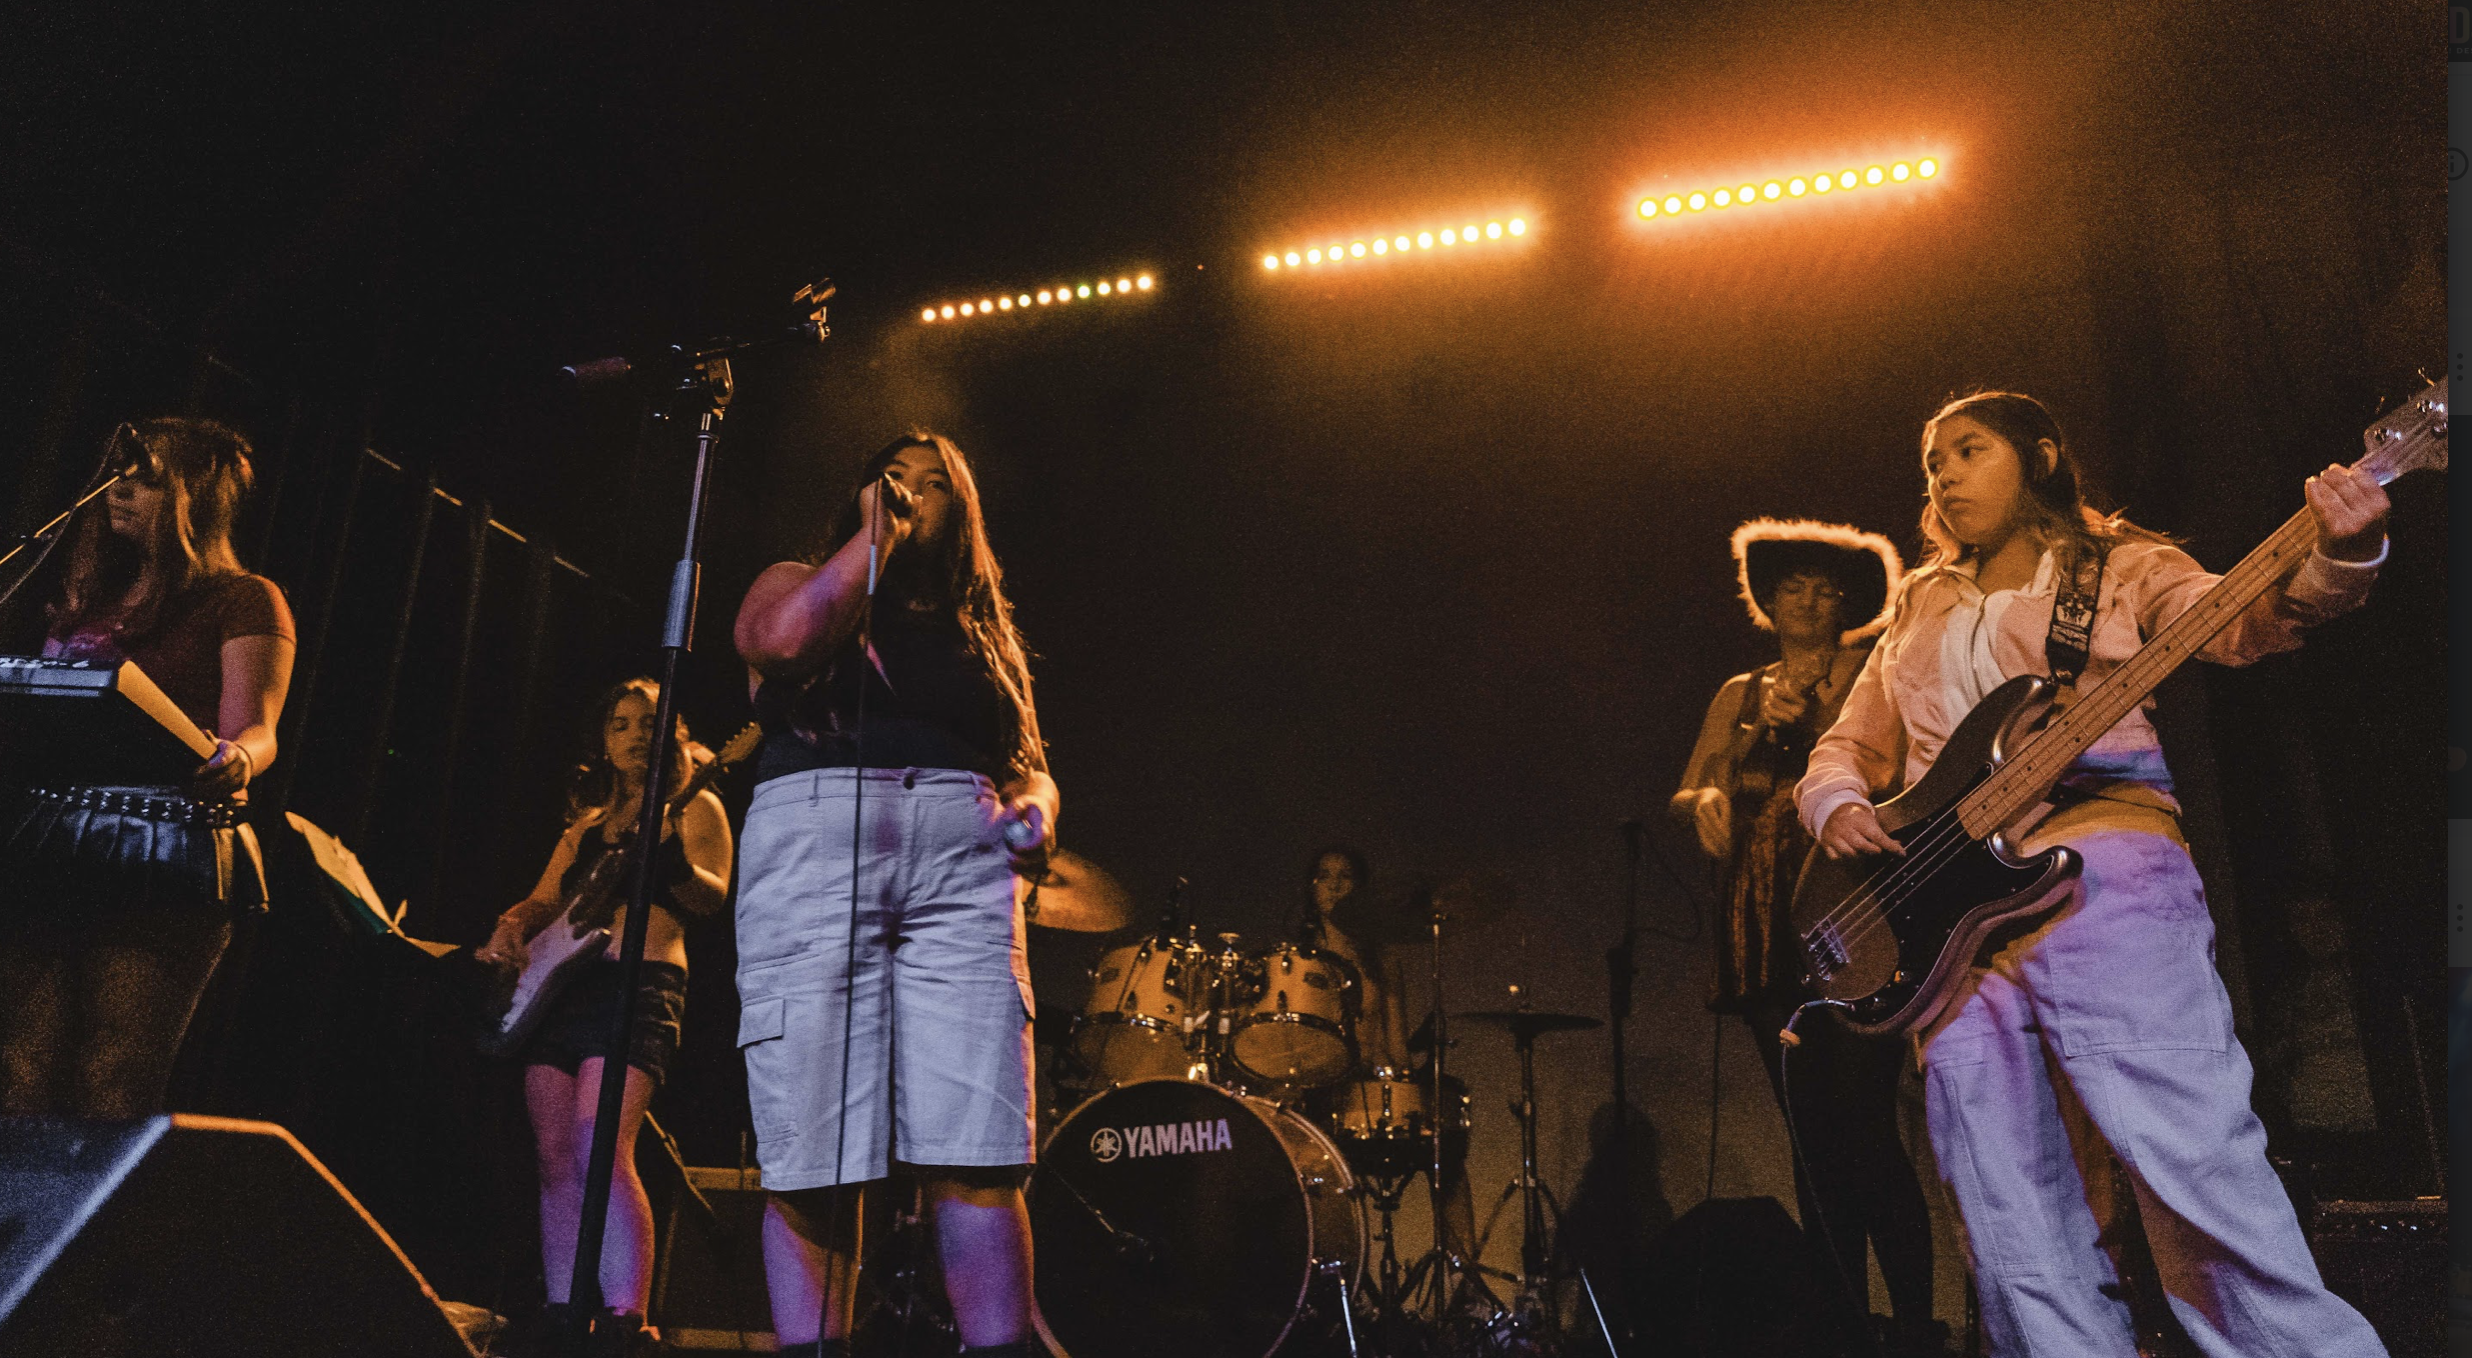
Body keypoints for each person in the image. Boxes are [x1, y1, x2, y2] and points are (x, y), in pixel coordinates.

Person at [1797, 391, 2392, 1357]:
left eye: (1967, 450)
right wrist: (1839, 806)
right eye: (1931, 463)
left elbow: (2238, 621)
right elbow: (1846, 746)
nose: (1941, 476)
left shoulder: (2119, 566)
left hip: (2105, 877)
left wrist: (2340, 552)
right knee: (2005, 1214)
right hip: (1946, 938)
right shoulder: (1918, 601)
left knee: (2188, 1161)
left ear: (2037, 456)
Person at [732, 431, 1057, 1358]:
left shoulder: (982, 626)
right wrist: (871, 542)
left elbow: (1029, 765)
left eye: (935, 486)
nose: (913, 495)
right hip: (820, 843)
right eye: (894, 481)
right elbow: (781, 642)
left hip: (964, 861)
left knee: (979, 1150)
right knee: (817, 1162)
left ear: (965, 513)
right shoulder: (797, 579)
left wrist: (1037, 809)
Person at [1671, 519, 1941, 1355]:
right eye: (1795, 587)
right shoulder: (1739, 691)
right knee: (1810, 1132)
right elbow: (1694, 790)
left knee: (1865, 1121)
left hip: (1852, 906)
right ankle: (1844, 1325)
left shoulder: (1875, 671)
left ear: (1849, 606)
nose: (1811, 601)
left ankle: (1917, 1324)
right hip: (1761, 917)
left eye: (1828, 590)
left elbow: (1904, 774)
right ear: (1770, 602)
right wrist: (1712, 797)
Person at [0, 418, 293, 1119]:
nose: (119, 488)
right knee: (18, 1066)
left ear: (195, 493)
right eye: (117, 473)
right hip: (54, 843)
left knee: (114, 1074)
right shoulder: (83, 602)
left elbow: (256, 728)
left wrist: (239, 756)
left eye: (145, 476)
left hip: (162, 849)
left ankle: (103, 1226)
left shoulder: (245, 597)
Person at [477, 677, 733, 1354]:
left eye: (651, 721)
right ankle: (566, 1314)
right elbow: (541, 901)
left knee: (601, 1143)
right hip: (564, 990)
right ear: (604, 740)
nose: (635, 734)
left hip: (641, 984)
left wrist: (670, 858)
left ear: (675, 732)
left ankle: (628, 1322)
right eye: (620, 723)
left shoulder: (695, 805)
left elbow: (711, 897)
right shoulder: (586, 825)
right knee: (555, 1154)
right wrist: (510, 927)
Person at [1301, 847, 1478, 1274]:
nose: (1336, 885)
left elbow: (1396, 1044)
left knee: (1446, 1153)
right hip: (1322, 1095)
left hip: (1371, 1094)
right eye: (1325, 876)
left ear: (1361, 889)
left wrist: (1398, 1080)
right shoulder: (1299, 957)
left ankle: (1468, 1286)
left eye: (1345, 876)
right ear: (1312, 888)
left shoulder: (1383, 959)